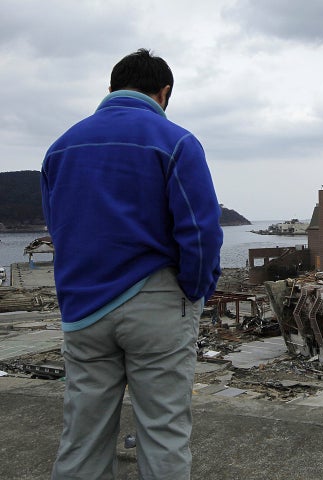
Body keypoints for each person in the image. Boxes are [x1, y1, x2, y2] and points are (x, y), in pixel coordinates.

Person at [43, 48, 223, 479]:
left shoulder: (60, 148)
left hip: (83, 306)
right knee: (163, 431)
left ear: (109, 89)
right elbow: (200, 231)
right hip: (157, 302)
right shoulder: (176, 141)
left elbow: (60, 229)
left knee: (82, 437)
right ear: (163, 93)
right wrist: (195, 288)